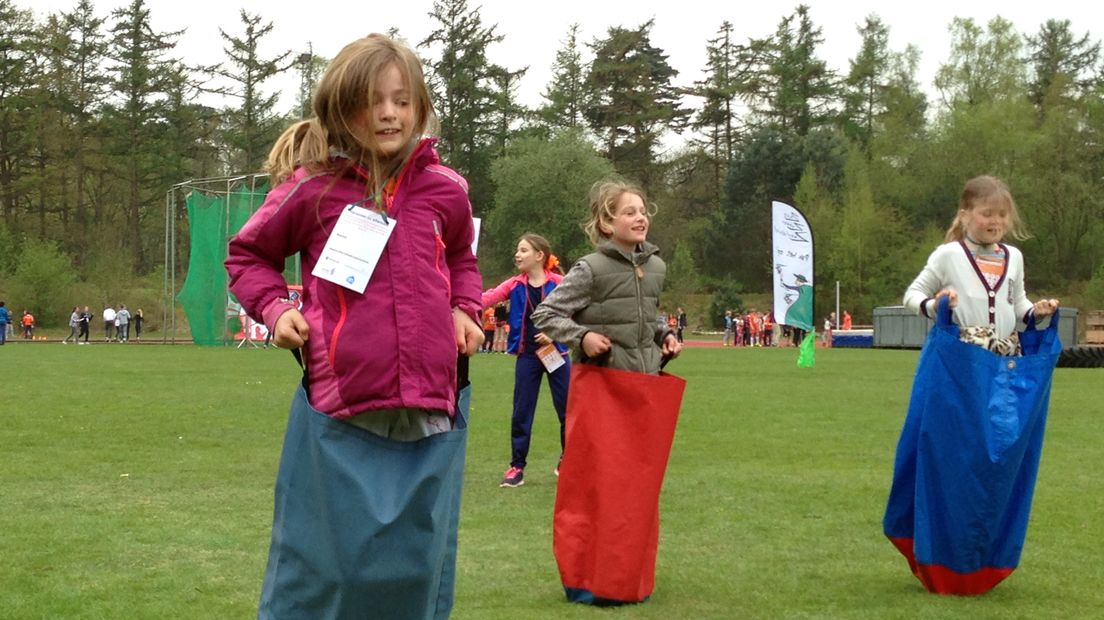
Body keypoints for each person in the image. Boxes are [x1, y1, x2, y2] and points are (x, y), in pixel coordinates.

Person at [224, 34, 482, 618]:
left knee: (413, 568)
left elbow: (463, 257)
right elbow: (247, 256)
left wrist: (465, 308)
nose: (389, 113)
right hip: (339, 405)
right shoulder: (312, 189)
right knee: (327, 569)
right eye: (372, 101)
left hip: (429, 405)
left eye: (402, 100)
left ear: (419, 106)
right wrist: (275, 308)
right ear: (342, 108)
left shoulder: (446, 190)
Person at [886, 175, 1060, 594]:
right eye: (987, 214)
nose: (995, 222)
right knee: (953, 457)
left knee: (993, 460)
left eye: (1002, 215)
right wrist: (934, 304)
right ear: (966, 215)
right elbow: (913, 294)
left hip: (1002, 368)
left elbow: (1016, 307)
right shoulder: (948, 255)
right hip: (958, 367)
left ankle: (981, 553)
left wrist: (1035, 312)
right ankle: (941, 549)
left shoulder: (1013, 258)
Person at [531, 178, 682, 605]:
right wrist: (582, 337)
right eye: (629, 211)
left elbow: (647, 317)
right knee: (602, 487)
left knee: (639, 490)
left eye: (643, 210)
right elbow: (546, 314)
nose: (640, 217)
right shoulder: (589, 269)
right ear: (606, 221)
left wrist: (665, 337)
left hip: (645, 390)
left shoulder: (656, 268)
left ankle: (630, 575)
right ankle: (591, 578)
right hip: (603, 391)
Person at [482, 233, 570, 487]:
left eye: (523, 250)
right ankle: (516, 467)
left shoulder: (560, 283)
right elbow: (488, 298)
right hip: (528, 357)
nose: (517, 255)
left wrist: (555, 331)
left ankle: (569, 459)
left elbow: (579, 309)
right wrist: (461, 302)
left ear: (539, 256)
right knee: (522, 412)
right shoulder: (514, 285)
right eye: (517, 250)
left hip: (557, 354)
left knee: (567, 411)